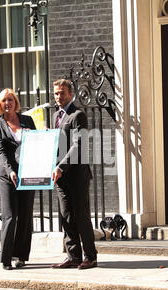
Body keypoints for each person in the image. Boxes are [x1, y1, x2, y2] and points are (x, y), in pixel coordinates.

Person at [51, 79, 98, 270]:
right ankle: (74, 256)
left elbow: (78, 145)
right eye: (56, 93)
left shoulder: (78, 115)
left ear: (71, 94)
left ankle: (91, 256)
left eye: (62, 93)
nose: (59, 97)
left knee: (81, 215)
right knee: (66, 216)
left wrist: (61, 166)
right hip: (61, 176)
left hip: (76, 175)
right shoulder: (56, 115)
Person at [0, 88, 36, 270]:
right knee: (10, 216)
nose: (7, 103)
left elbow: (36, 141)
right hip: (7, 176)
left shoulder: (27, 120)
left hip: (27, 174)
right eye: (4, 101)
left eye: (10, 100)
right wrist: (10, 171)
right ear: (0, 105)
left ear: (15, 102)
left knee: (25, 216)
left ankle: (21, 256)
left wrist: (46, 134)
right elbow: (1, 153)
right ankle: (6, 258)